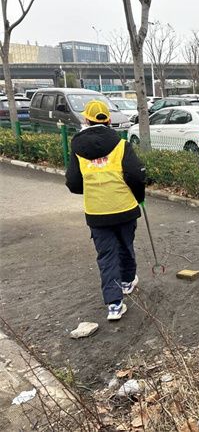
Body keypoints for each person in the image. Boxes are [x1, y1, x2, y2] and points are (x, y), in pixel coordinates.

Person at [65, 100, 146, 321]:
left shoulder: (77, 147)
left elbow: (73, 183)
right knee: (125, 246)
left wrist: (92, 188)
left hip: (96, 212)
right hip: (125, 208)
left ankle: (114, 304)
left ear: (85, 120)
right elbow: (136, 176)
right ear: (108, 120)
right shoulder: (121, 144)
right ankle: (128, 281)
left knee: (106, 255)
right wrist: (139, 197)